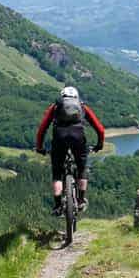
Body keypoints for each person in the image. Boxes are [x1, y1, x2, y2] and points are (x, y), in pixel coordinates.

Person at [34, 86, 106, 216]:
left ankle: (57, 206)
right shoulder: (83, 107)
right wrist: (99, 144)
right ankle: (80, 200)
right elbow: (100, 129)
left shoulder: (55, 107)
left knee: (57, 173)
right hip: (78, 137)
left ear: (62, 97)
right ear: (76, 97)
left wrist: (40, 147)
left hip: (59, 138)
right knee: (82, 169)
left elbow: (42, 128)